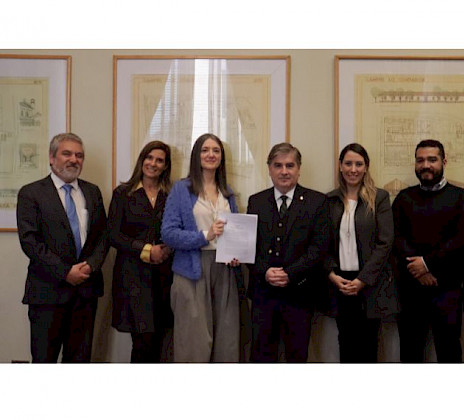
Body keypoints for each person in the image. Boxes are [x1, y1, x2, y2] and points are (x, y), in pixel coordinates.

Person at [17, 132, 109, 363]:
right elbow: (30, 241)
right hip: (48, 292)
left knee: (79, 361)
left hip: (85, 292)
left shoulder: (92, 191)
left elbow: (103, 236)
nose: (73, 159)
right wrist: (65, 272)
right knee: (44, 361)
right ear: (52, 157)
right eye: (66, 153)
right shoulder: (31, 193)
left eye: (79, 155)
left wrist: (91, 266)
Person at [392, 139, 464, 362]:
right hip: (411, 290)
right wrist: (419, 270)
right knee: (410, 353)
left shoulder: (461, 197)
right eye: (420, 160)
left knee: (449, 353)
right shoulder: (403, 198)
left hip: (447, 290)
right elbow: (396, 238)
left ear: (443, 162)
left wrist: (428, 264)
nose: (426, 165)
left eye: (432, 159)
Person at [161, 133, 240, 362]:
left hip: (225, 271)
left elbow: (235, 231)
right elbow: (168, 233)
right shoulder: (181, 190)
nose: (211, 155)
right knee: (194, 341)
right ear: (196, 155)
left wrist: (235, 253)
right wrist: (206, 235)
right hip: (191, 271)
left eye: (216, 150)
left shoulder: (227, 192)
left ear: (221, 157)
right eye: (205, 150)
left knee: (226, 339)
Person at [247, 142, 329, 362]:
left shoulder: (317, 202)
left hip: (299, 293)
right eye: (278, 165)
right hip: (263, 295)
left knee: (297, 356)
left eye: (290, 165)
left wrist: (289, 273)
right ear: (269, 169)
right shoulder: (256, 202)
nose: (284, 171)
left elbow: (319, 248)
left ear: (299, 169)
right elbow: (249, 247)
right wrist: (265, 271)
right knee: (261, 357)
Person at [325, 143, 398, 363]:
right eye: (348, 164)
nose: (353, 169)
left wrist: (363, 280)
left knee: (368, 344)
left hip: (369, 283)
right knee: (345, 342)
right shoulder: (329, 200)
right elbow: (322, 242)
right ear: (340, 166)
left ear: (366, 167)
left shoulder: (379, 198)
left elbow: (385, 242)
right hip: (340, 281)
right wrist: (331, 275)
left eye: (359, 164)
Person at [108, 140, 174, 363]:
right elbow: (113, 235)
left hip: (164, 278)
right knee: (142, 342)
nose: (153, 164)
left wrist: (167, 248)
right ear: (142, 160)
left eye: (159, 160)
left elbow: (176, 228)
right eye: (149, 158)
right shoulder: (123, 193)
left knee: (160, 342)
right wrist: (146, 250)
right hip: (133, 278)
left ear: (165, 166)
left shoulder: (170, 195)